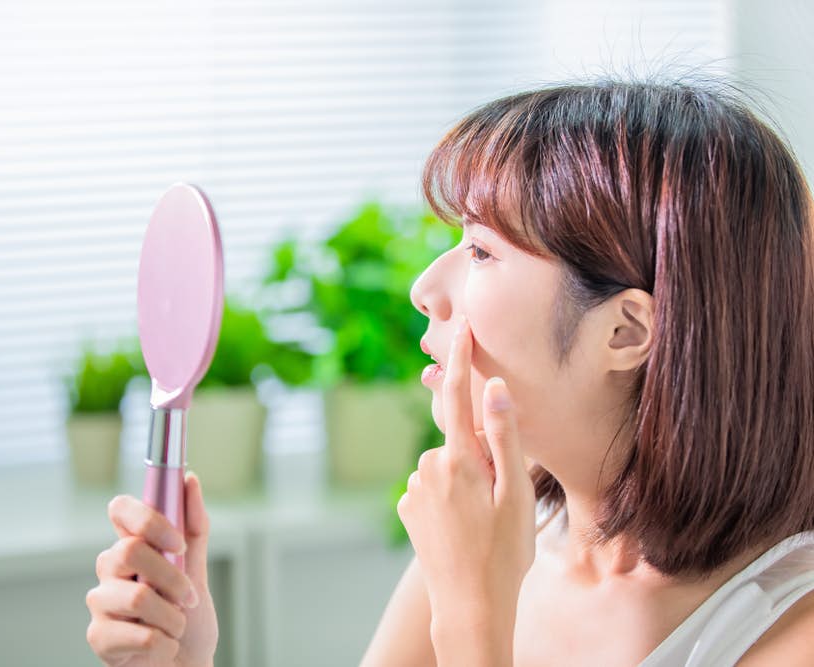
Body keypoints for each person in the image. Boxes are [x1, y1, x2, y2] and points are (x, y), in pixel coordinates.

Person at [84, 76, 814, 666]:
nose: (426, 289)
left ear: (625, 330)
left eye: (482, 251)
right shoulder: (507, 524)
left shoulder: (788, 630)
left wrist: (473, 616)